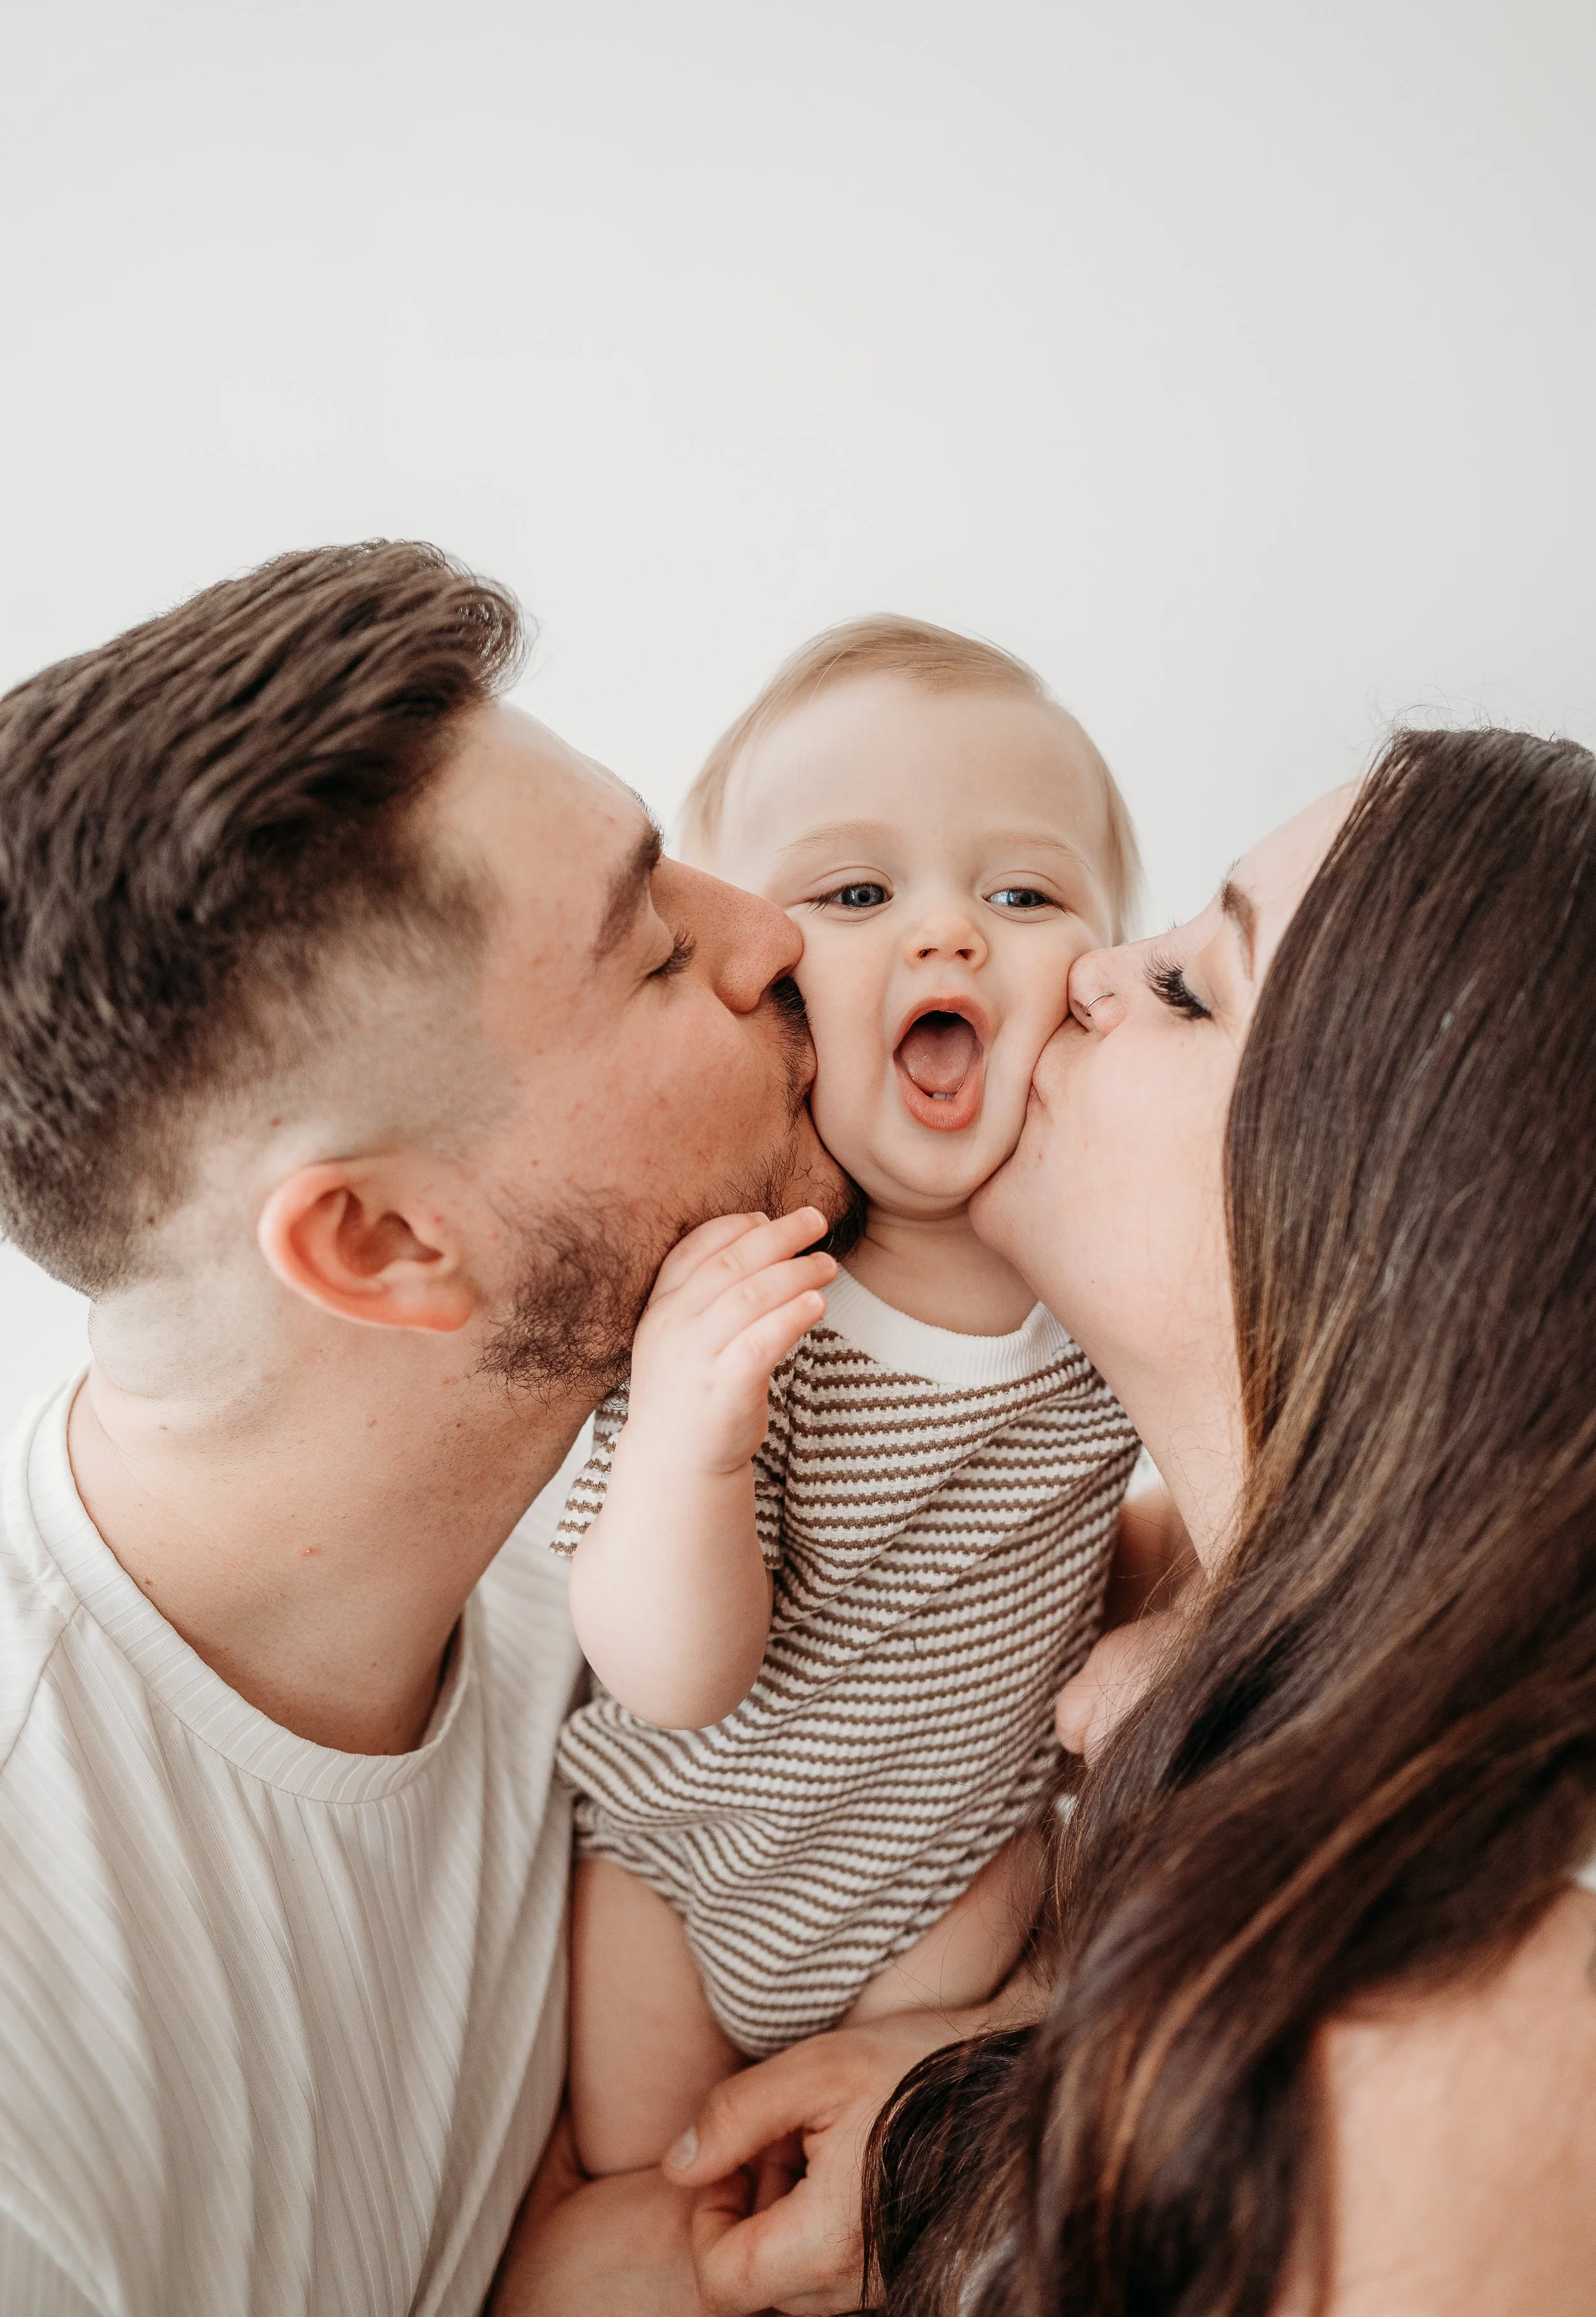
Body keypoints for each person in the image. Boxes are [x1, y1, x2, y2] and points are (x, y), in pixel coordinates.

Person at [0, 539, 871, 2316]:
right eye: (651, 950)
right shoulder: (39, 2032)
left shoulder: (639, 1534)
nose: (769, 932)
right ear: (387, 1244)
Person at [860, 726, 1596, 2314]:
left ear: (1404, 1215)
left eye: (1194, 987)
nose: (1089, 974)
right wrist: (983, 2108)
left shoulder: (1463, 2060)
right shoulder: (1114, 1597)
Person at [550, 617, 1143, 2177]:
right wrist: (687, 1444)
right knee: (657, 2196)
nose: (947, 936)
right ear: (761, 978)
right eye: (858, 893)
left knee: (866, 2208)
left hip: (949, 1887)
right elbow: (664, 1674)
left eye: (1020, 894)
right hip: (681, 1877)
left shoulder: (1112, 1306)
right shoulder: (747, 1295)